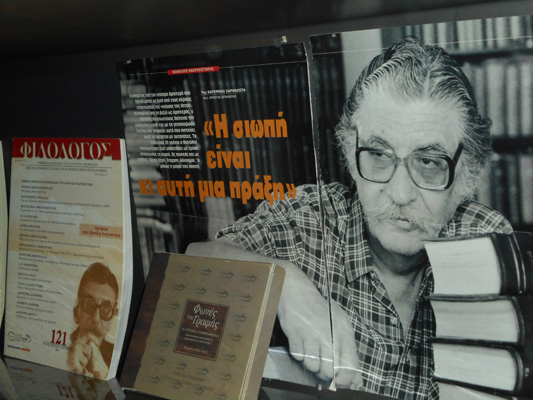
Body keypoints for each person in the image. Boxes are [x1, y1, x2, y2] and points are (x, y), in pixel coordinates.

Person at [187, 37, 513, 399]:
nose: (400, 193)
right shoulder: (307, 221)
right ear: (350, 156)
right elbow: (193, 262)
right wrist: (283, 282)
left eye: (428, 162)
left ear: (467, 174)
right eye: (378, 155)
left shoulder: (484, 243)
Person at [67, 262, 119, 379]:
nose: (95, 319)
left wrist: (105, 375)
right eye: (90, 304)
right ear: (77, 306)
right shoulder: (59, 347)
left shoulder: (118, 356)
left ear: (114, 313)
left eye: (106, 308)